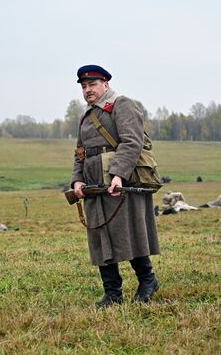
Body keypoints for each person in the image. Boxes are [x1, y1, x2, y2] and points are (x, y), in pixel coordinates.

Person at [70, 65, 161, 308]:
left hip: (121, 183)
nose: (87, 90)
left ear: (106, 84)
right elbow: (80, 153)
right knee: (100, 237)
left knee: (129, 233)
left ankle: (148, 281)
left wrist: (118, 174)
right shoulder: (87, 115)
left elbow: (133, 141)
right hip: (93, 186)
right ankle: (113, 294)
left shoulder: (122, 104)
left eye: (92, 85)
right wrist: (77, 180)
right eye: (84, 86)